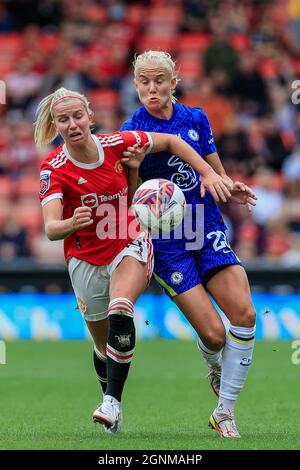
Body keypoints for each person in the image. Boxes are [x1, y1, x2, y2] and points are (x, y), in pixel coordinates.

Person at [35, 87, 233, 434]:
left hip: (129, 241)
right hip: (85, 257)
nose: (73, 124)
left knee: (121, 307)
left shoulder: (117, 143)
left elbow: (172, 142)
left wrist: (207, 172)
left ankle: (111, 403)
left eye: (78, 116)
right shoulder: (54, 168)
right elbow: (51, 229)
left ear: (90, 117)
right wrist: (71, 222)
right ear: (56, 126)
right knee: (102, 345)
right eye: (63, 120)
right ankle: (113, 400)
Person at [120, 51, 257, 438]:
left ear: (173, 80)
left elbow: (215, 171)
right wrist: (132, 166)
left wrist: (229, 186)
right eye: (144, 81)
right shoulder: (133, 129)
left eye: (159, 80)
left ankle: (224, 412)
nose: (152, 88)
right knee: (214, 335)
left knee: (244, 315)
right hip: (166, 243)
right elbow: (129, 198)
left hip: (205, 226)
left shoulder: (196, 119)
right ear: (135, 85)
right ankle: (212, 359)